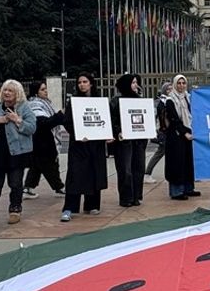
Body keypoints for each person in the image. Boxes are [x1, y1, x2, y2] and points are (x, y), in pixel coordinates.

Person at [0, 80, 36, 226]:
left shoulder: (24, 108)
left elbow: (32, 128)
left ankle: (15, 210)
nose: (7, 93)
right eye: (5, 90)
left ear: (18, 93)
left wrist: (18, 120)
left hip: (17, 153)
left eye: (10, 91)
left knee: (15, 183)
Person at [53, 73, 109, 219]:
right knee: (75, 174)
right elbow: (67, 122)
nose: (82, 85)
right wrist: (78, 134)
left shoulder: (100, 101)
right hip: (79, 144)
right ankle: (70, 207)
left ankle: (93, 204)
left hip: (96, 144)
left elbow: (105, 119)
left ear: (91, 83)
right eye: (79, 82)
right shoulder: (74, 102)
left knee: (94, 171)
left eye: (85, 82)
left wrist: (108, 134)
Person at [110, 73, 149, 207]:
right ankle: (126, 197)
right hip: (124, 141)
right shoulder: (116, 101)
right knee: (125, 170)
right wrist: (117, 132)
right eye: (132, 82)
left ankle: (136, 196)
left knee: (138, 168)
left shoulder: (139, 99)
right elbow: (112, 120)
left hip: (138, 140)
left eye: (136, 82)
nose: (135, 85)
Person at [23, 81, 66, 199]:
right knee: (50, 164)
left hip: (40, 141)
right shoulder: (35, 105)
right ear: (36, 92)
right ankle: (59, 187)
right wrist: (59, 115)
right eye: (42, 89)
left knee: (36, 166)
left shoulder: (42, 103)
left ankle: (27, 187)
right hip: (43, 141)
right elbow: (44, 124)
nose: (46, 91)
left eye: (45, 88)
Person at [162, 74, 200, 200]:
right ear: (174, 84)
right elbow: (174, 120)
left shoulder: (188, 98)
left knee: (188, 162)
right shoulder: (170, 100)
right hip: (176, 136)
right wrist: (185, 133)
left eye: (183, 83)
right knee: (177, 163)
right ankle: (177, 191)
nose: (181, 86)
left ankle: (188, 188)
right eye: (179, 83)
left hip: (188, 133)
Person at [144, 81, 173, 183]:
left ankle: (149, 173)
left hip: (167, 131)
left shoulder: (170, 101)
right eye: (169, 89)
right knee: (160, 152)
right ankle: (147, 173)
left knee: (165, 153)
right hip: (163, 131)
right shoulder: (161, 102)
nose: (171, 91)